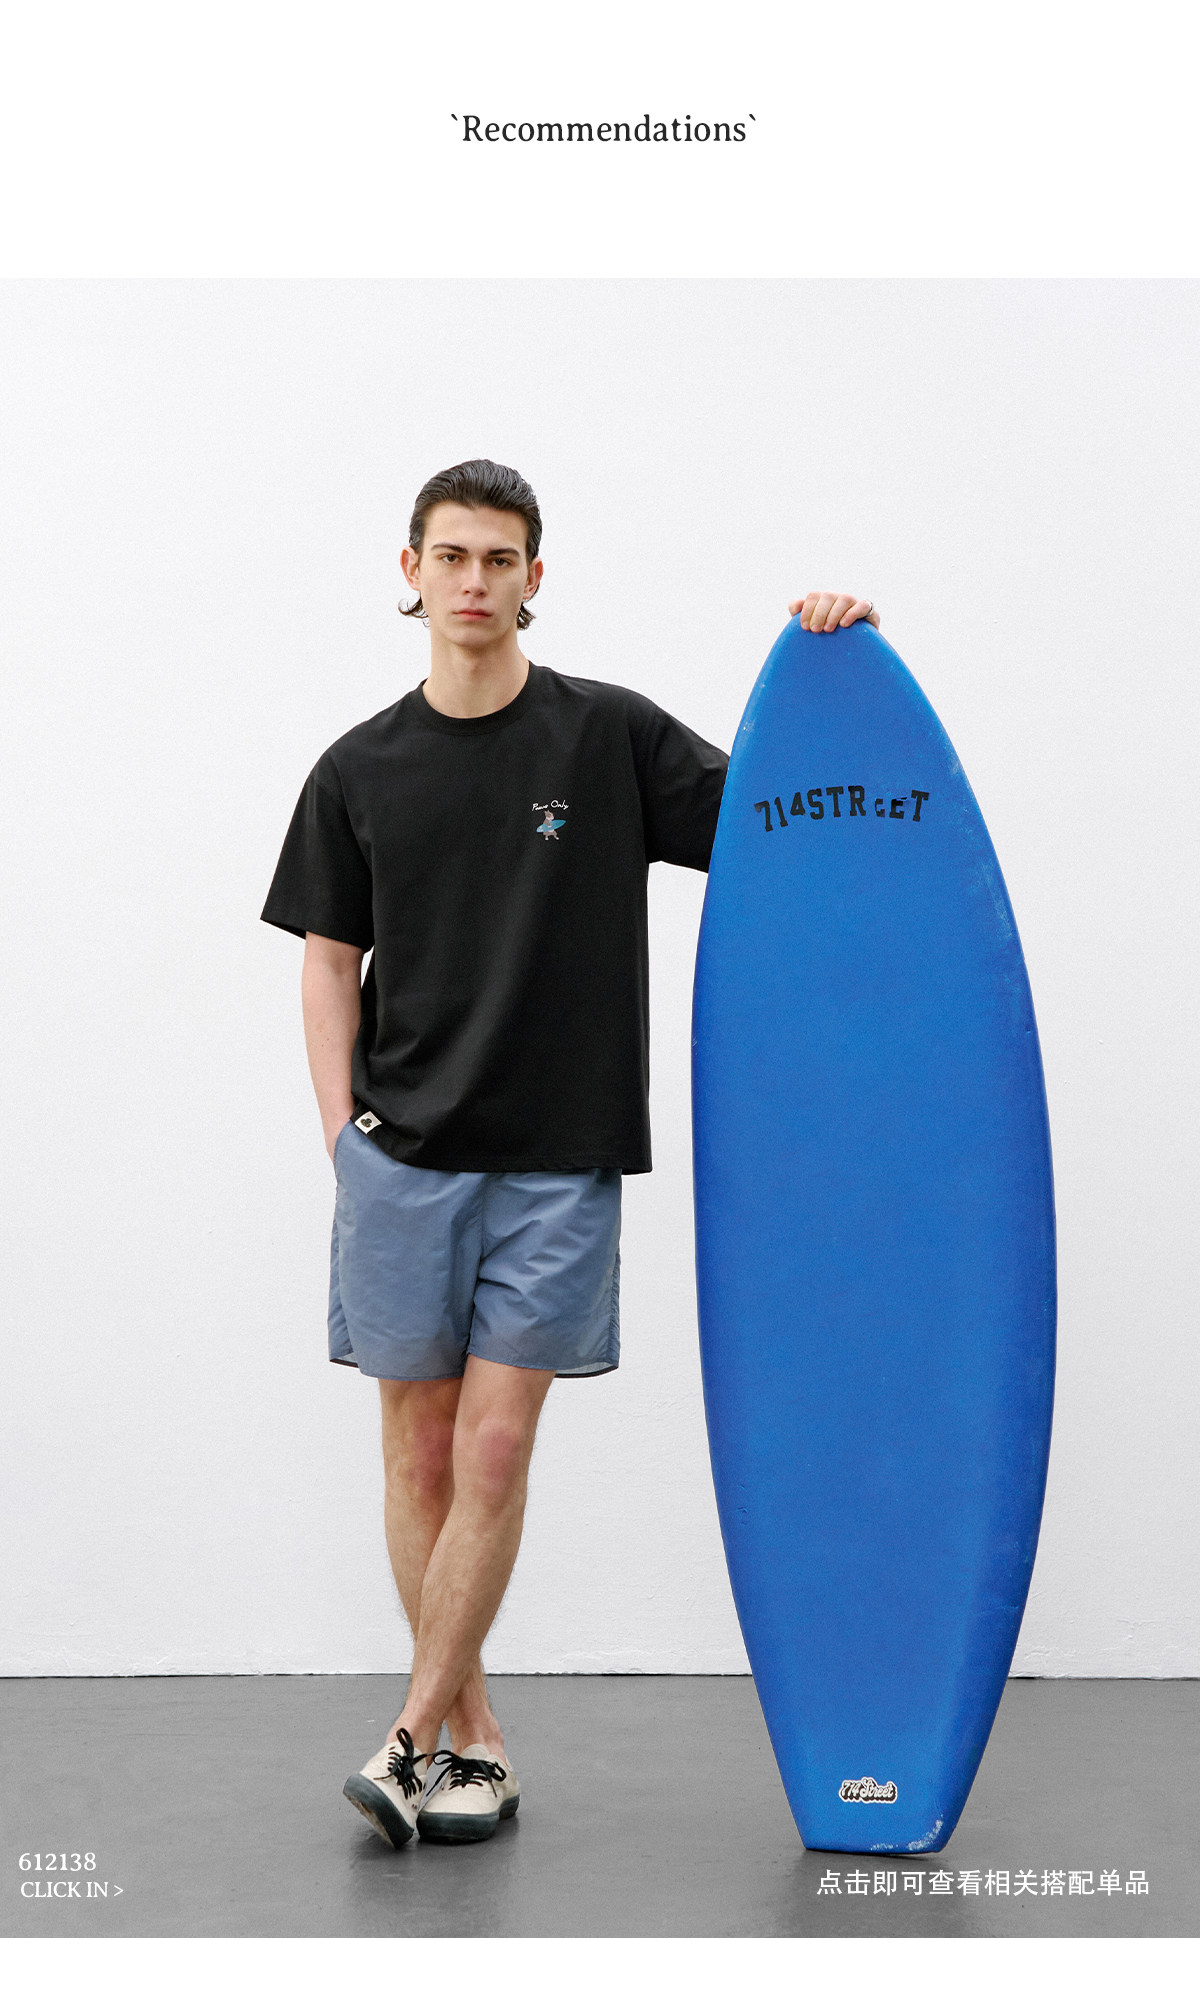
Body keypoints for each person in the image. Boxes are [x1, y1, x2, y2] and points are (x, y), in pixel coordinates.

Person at [260, 458, 880, 1849]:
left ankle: (409, 1733)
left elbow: (781, 824)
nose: (474, 580)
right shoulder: (357, 769)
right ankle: (472, 1738)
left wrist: (833, 670)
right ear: (410, 572)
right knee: (419, 1453)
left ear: (536, 578)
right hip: (401, 1159)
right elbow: (328, 960)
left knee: (493, 1442)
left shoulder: (609, 740)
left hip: (557, 1159)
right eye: (452, 555)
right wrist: (343, 1138)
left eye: (501, 558)